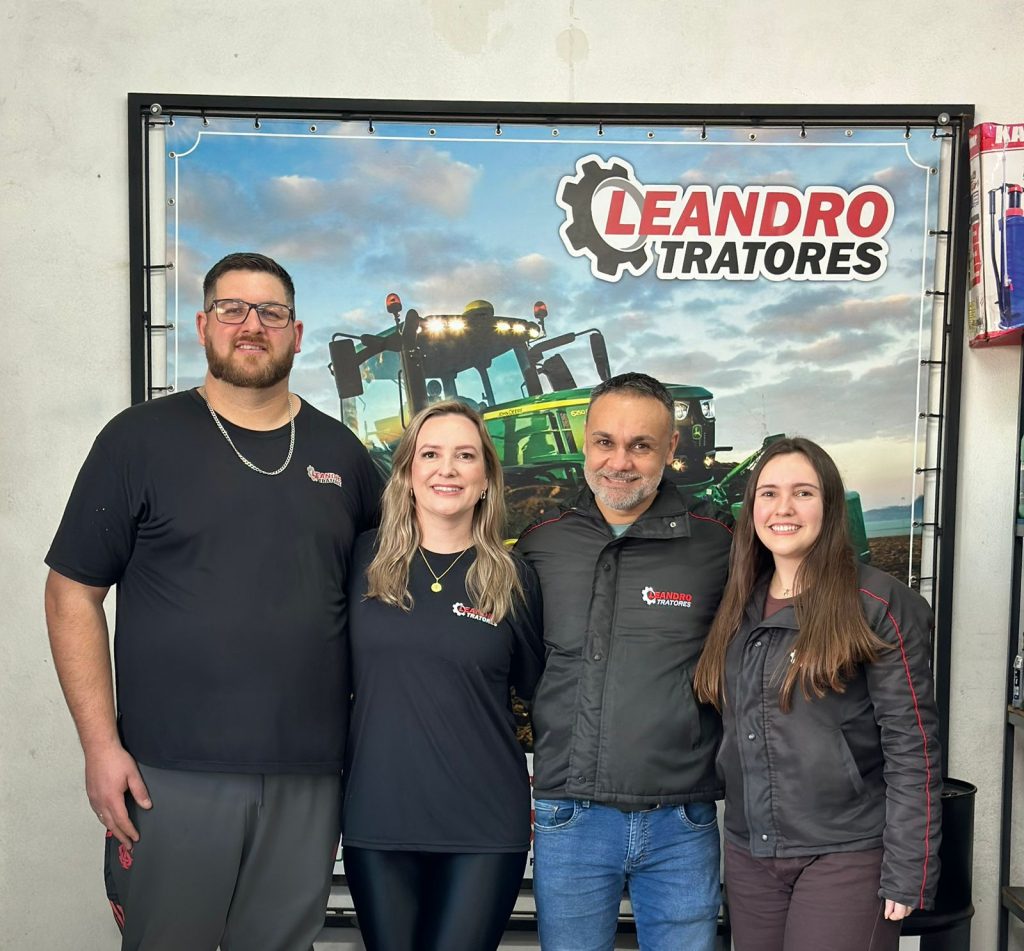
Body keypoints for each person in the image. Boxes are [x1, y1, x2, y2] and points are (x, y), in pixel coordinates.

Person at [44, 252, 381, 951]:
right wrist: (100, 746)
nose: (251, 325)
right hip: (169, 774)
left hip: (309, 777)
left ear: (297, 333)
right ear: (202, 325)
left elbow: (386, 602)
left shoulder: (343, 455)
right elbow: (71, 591)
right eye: (232, 309)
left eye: (271, 312)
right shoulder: (138, 440)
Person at [693, 437, 942, 951]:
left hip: (846, 853)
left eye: (803, 493)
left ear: (829, 507)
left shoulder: (875, 604)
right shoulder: (736, 606)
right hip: (751, 854)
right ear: (751, 509)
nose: (783, 508)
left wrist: (908, 867)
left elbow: (911, 744)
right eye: (768, 493)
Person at [514, 371, 733, 951]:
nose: (620, 462)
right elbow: (529, 668)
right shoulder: (541, 544)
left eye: (641, 445)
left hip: (682, 819)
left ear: (670, 447)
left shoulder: (717, 545)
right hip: (569, 818)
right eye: (605, 442)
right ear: (584, 442)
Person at [341, 399, 544, 951]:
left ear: (486, 480)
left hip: (484, 824)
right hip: (378, 817)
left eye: (465, 456)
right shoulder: (362, 561)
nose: (446, 469)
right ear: (407, 474)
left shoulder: (513, 579)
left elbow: (538, 694)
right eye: (430, 454)